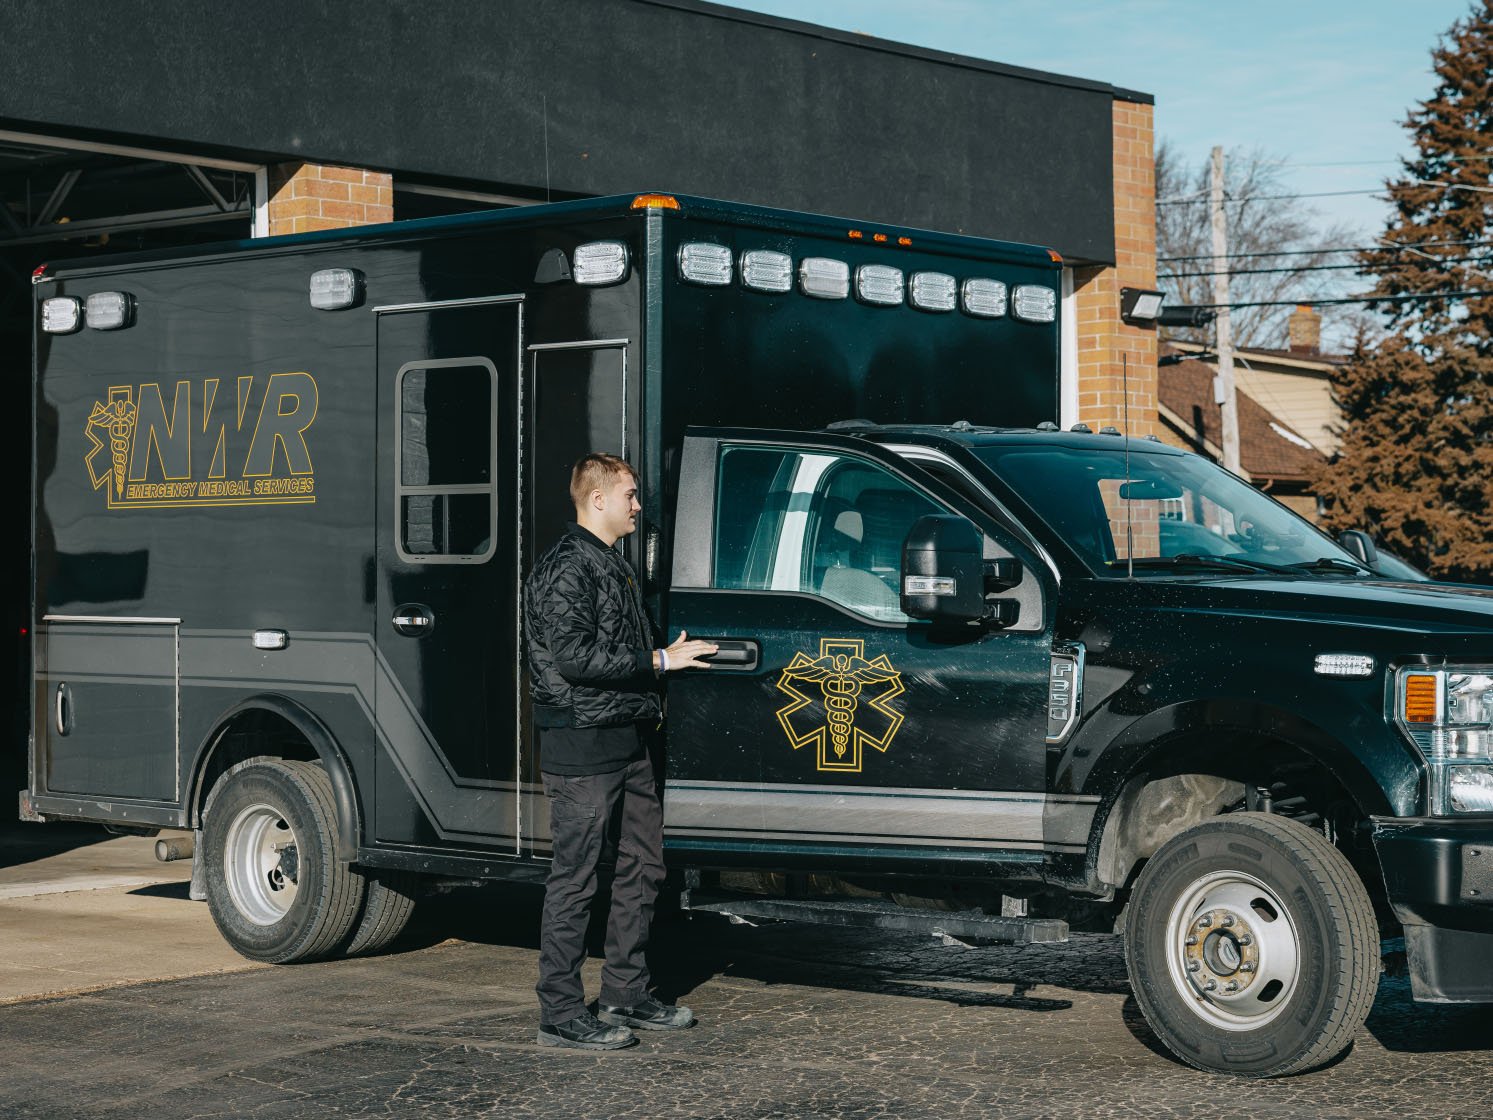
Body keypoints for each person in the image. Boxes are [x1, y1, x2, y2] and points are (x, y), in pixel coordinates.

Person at [523, 452, 718, 1050]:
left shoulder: (610, 563)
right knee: (577, 878)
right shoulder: (565, 568)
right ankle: (559, 1012)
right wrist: (659, 661)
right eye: (630, 495)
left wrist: (663, 652)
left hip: (629, 740)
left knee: (644, 867)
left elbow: (615, 644)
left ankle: (625, 994)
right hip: (582, 743)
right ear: (597, 499)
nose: (639, 506)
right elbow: (576, 659)